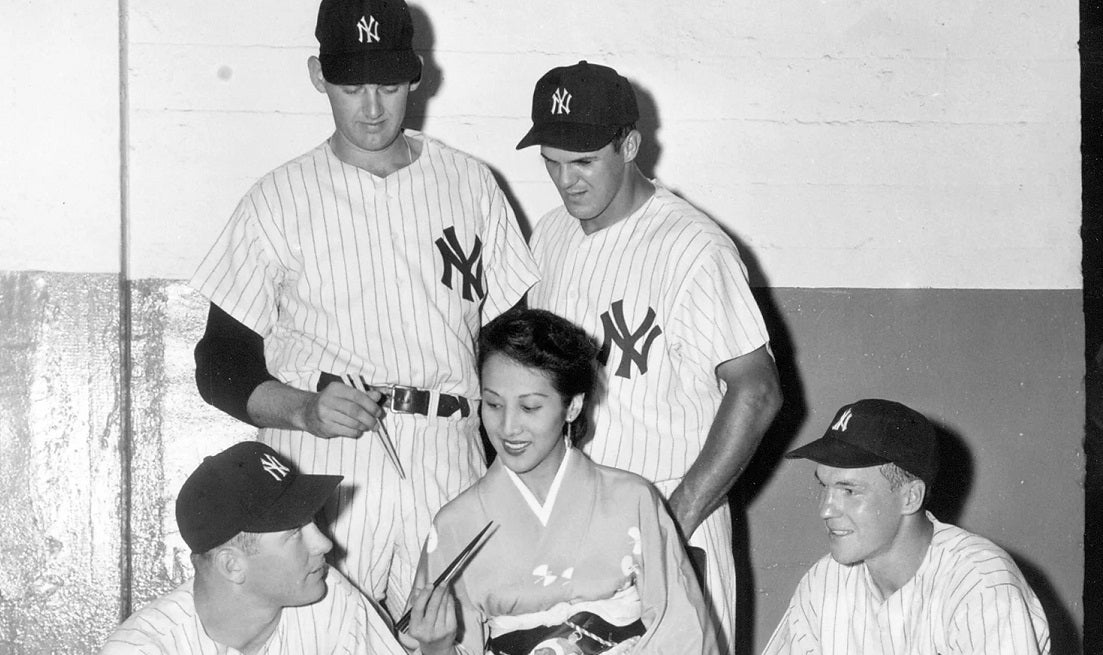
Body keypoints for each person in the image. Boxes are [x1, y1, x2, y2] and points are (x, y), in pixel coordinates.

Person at [188, 0, 540, 617]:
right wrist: (302, 409)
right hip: (326, 471)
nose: (373, 108)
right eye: (352, 86)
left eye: (387, 84)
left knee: (459, 636)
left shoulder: (471, 184)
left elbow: (513, 342)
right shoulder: (277, 199)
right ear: (318, 76)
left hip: (450, 455)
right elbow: (218, 363)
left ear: (416, 76)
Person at [516, 60, 782, 651]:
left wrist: (672, 520)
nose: (567, 182)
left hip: (667, 512)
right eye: (552, 164)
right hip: (571, 520)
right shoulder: (550, 235)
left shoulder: (693, 247)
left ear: (630, 145)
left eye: (584, 161)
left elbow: (757, 391)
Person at [404, 308, 718, 655]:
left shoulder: (633, 500)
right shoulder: (456, 525)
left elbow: (682, 631)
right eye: (493, 404)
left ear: (573, 406)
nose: (508, 427)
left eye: (530, 407)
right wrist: (437, 648)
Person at [762, 398, 1052, 655]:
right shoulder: (824, 581)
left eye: (849, 491)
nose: (825, 509)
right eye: (824, 487)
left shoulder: (980, 583)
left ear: (910, 497)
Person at [100, 441, 405, 654]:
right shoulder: (143, 649)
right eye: (296, 532)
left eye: (313, 522)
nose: (324, 543)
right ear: (232, 566)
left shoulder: (334, 601)